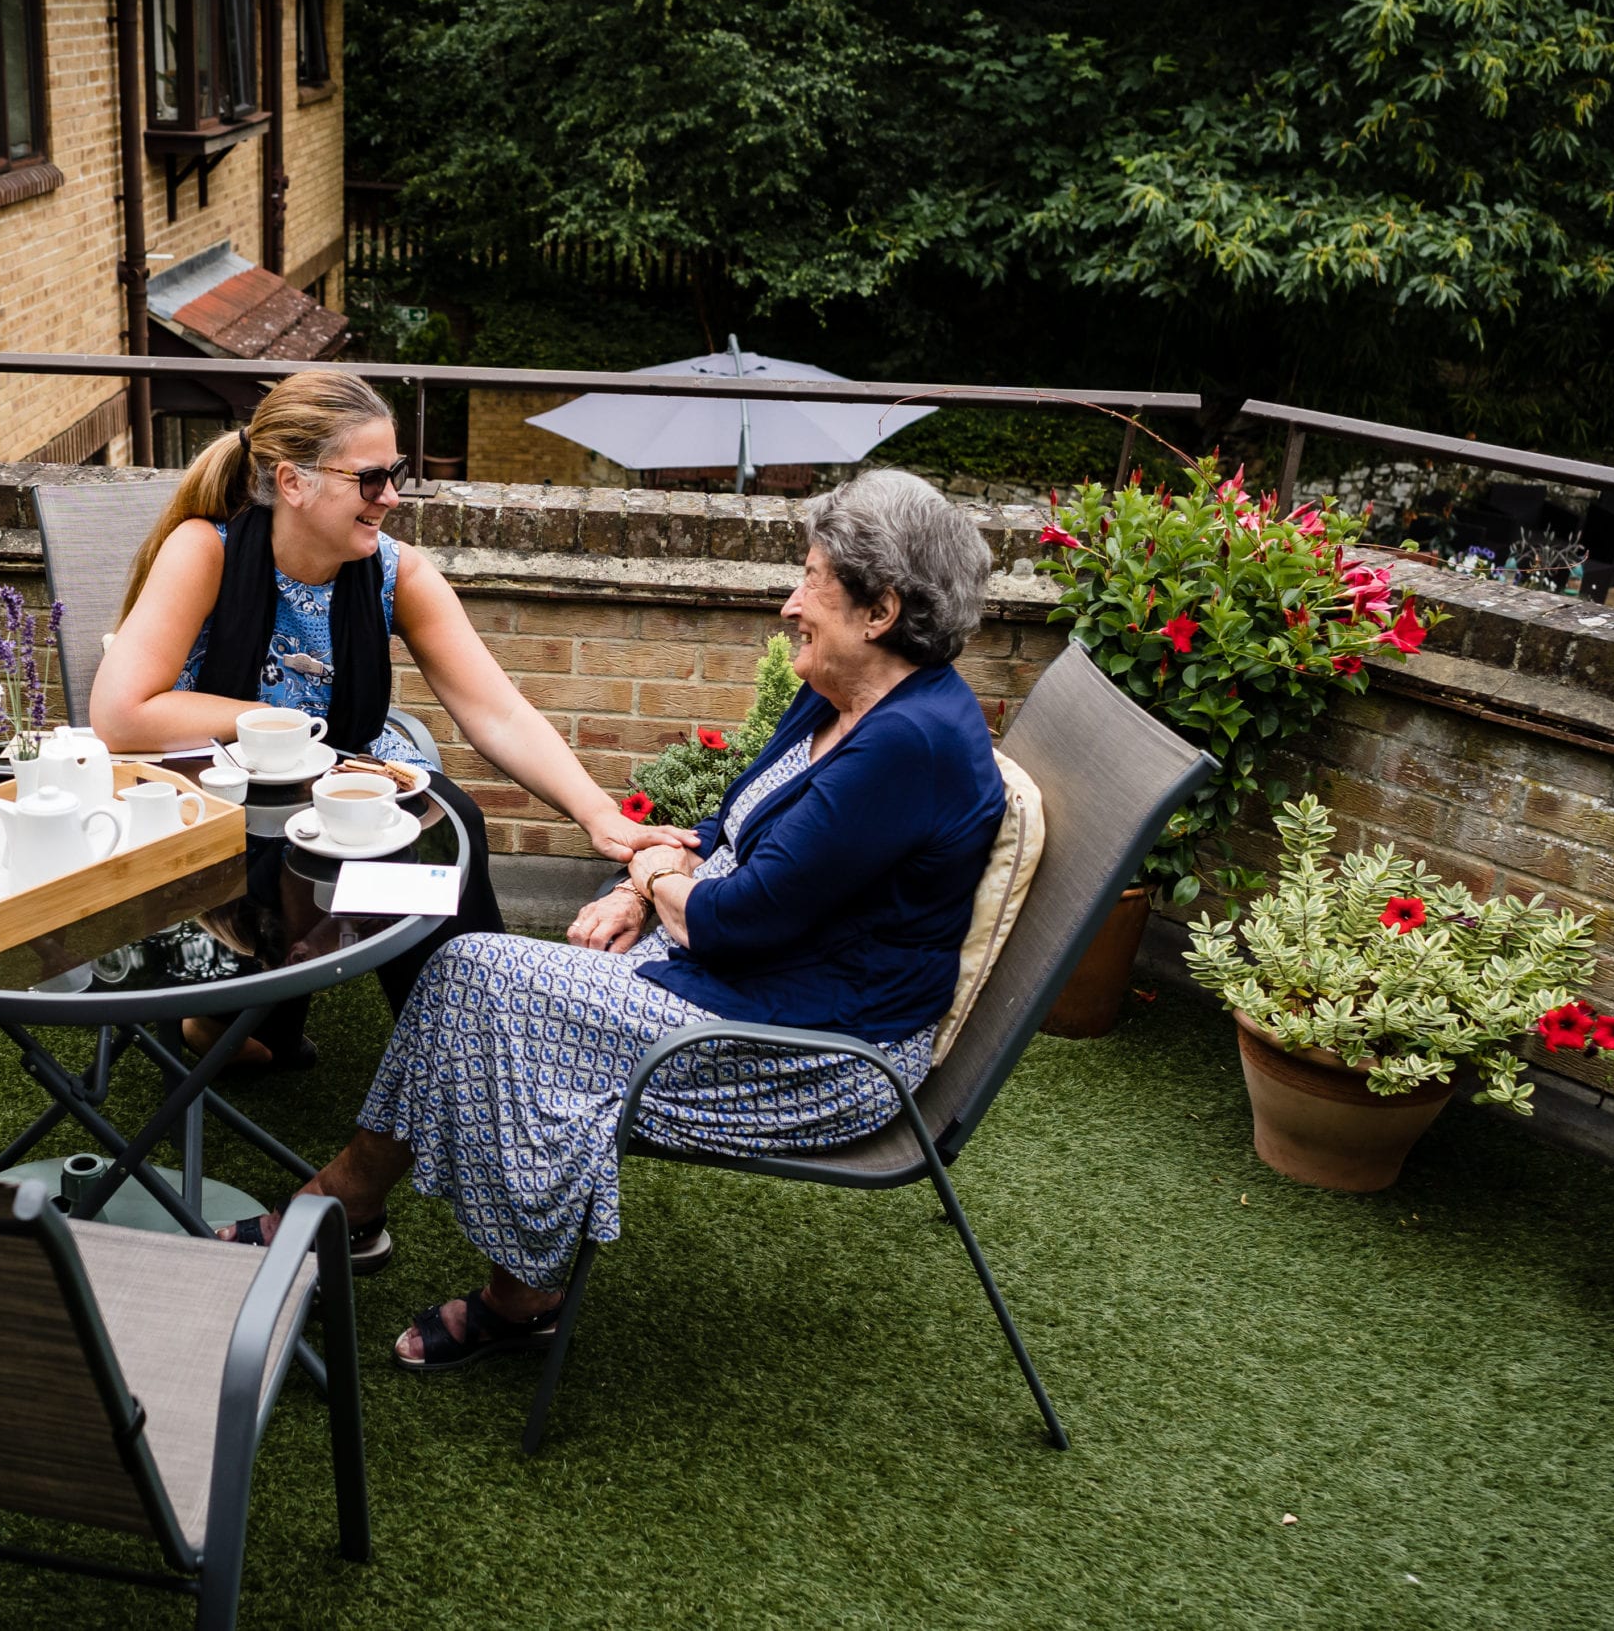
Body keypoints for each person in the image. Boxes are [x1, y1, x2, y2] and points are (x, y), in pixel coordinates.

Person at [222, 469, 1006, 1369]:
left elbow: (733, 920)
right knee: (469, 981)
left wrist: (650, 870)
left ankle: (493, 1281)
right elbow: (727, 825)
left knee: (477, 977)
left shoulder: (907, 743)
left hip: (814, 1048)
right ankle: (352, 1212)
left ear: (881, 611)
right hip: (741, 978)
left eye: (812, 580)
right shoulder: (843, 694)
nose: (790, 603)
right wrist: (644, 891)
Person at [92, 370, 693, 1075]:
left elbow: (496, 710)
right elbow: (121, 714)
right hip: (218, 793)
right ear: (293, 482)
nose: (392, 496)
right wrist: (274, 721)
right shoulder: (206, 550)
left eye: (395, 473)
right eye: (371, 478)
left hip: (343, 778)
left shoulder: (395, 572)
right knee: (313, 887)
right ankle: (253, 1015)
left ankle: (464, 1048)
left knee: (452, 820)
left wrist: (598, 814)